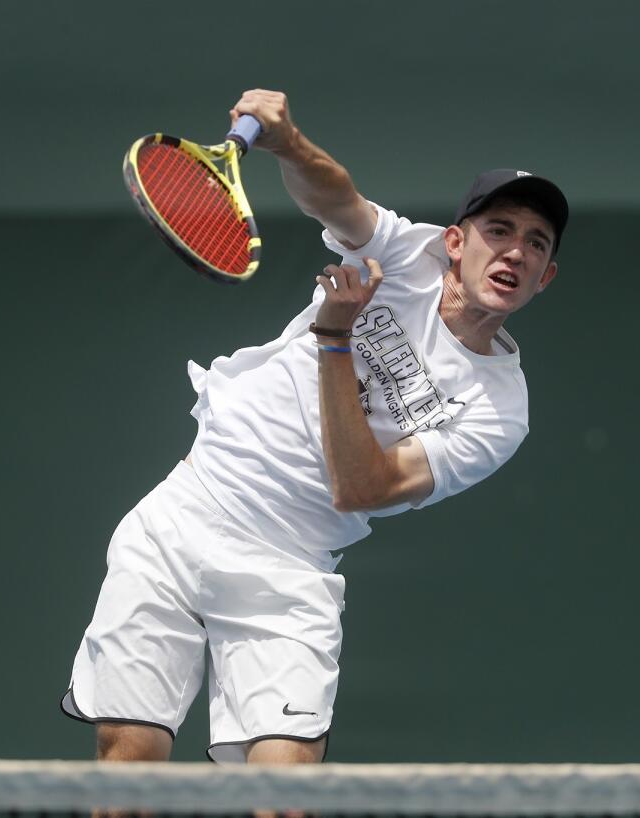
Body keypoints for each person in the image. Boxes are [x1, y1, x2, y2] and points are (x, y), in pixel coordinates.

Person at [60, 88, 569, 765]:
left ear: (546, 278)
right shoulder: (407, 258)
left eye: (536, 244)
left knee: (287, 795)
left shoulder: (500, 412)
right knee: (131, 763)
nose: (515, 252)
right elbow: (340, 202)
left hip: (289, 570)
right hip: (187, 514)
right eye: (498, 230)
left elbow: (361, 487)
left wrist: (336, 342)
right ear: (455, 242)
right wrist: (288, 143)